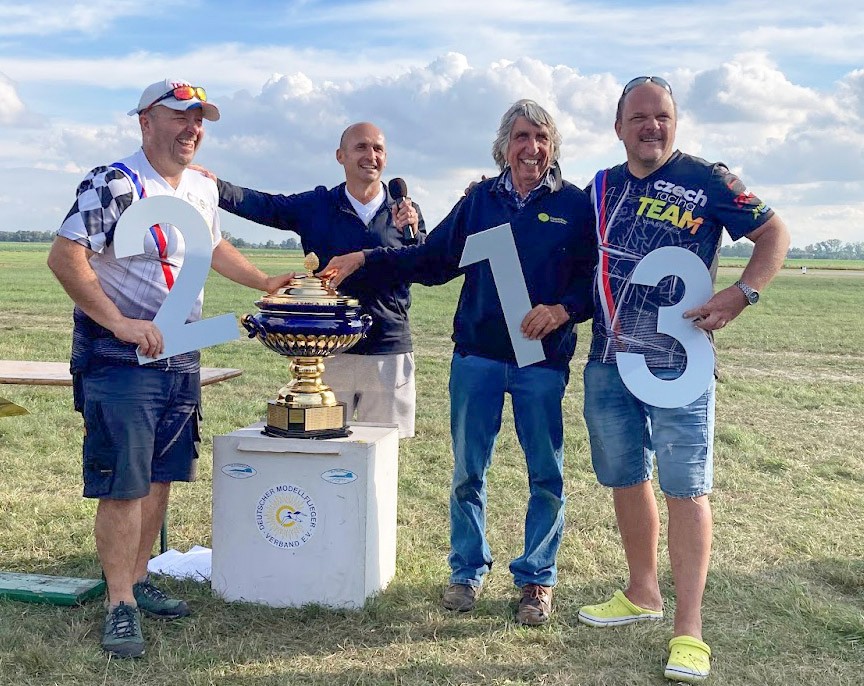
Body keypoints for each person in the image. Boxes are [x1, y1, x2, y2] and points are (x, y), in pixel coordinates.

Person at [321, 100, 597, 625]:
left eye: (540, 137)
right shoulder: (479, 202)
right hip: (477, 357)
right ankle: (466, 571)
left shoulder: (577, 206)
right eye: (520, 137)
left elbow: (592, 280)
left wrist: (565, 309)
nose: (531, 148)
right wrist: (367, 258)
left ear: (553, 145)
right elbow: (432, 259)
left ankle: (537, 580)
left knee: (546, 474)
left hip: (541, 362)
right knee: (469, 473)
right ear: (504, 145)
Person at [47, 78, 295, 659]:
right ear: (145, 122)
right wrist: (118, 322)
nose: (192, 128)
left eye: (199, 119)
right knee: (124, 483)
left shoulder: (201, 192)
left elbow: (212, 247)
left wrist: (262, 281)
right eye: (180, 116)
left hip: (181, 353)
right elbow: (65, 256)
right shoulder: (113, 182)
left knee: (160, 478)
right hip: (120, 358)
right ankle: (119, 604)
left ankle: (138, 580)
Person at [576, 76, 790, 683]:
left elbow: (774, 233)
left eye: (663, 116)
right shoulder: (599, 188)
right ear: (618, 127)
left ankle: (689, 629)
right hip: (610, 360)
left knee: (685, 487)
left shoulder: (708, 180)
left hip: (680, 364)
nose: (652, 126)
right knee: (624, 476)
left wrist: (742, 293)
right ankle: (641, 593)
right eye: (639, 117)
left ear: (676, 123)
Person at [197, 122, 425, 438]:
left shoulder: (406, 213)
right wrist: (215, 186)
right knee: (323, 452)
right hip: (326, 353)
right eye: (361, 147)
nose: (370, 155)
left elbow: (423, 266)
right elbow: (267, 206)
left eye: (378, 148)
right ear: (340, 155)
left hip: (388, 351)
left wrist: (414, 235)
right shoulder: (318, 205)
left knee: (383, 459)